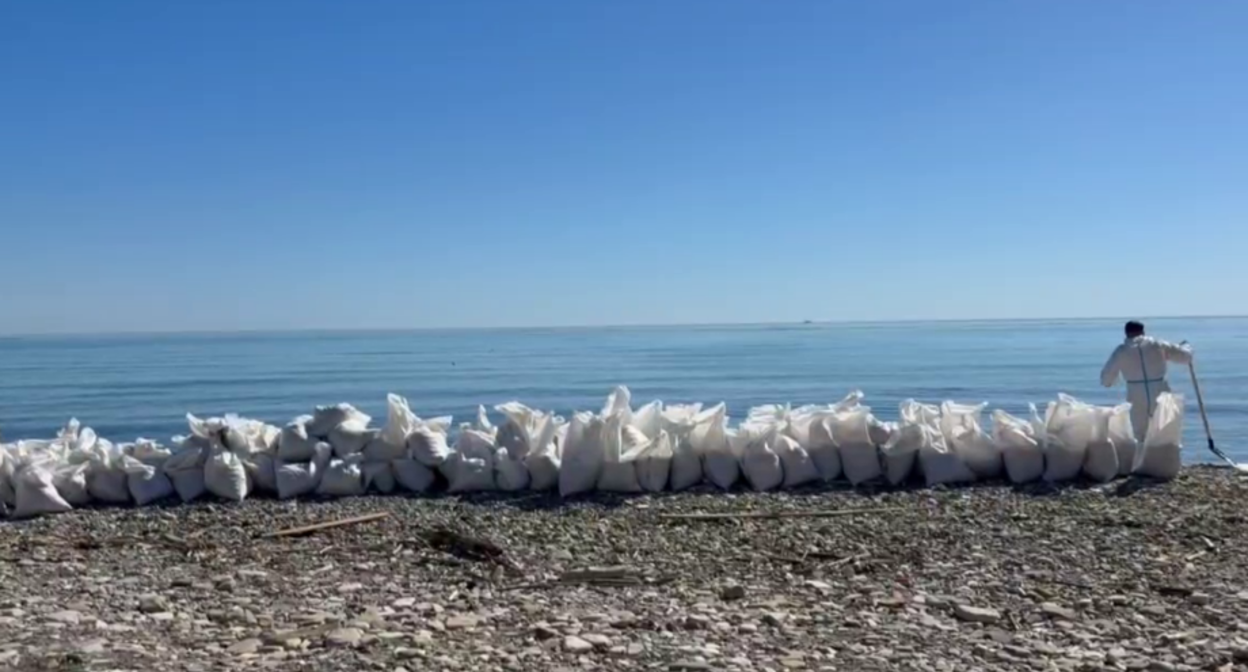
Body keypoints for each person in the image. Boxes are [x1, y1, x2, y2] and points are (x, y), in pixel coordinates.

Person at [1100, 320, 1192, 442]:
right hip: (1160, 391)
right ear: (1143, 331)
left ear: (1126, 333)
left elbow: (1106, 378)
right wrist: (1186, 347)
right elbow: (1185, 356)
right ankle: (1165, 451)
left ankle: (1142, 452)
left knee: (1139, 431)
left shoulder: (1121, 351)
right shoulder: (1157, 345)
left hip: (1136, 393)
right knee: (1164, 426)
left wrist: (1109, 382)